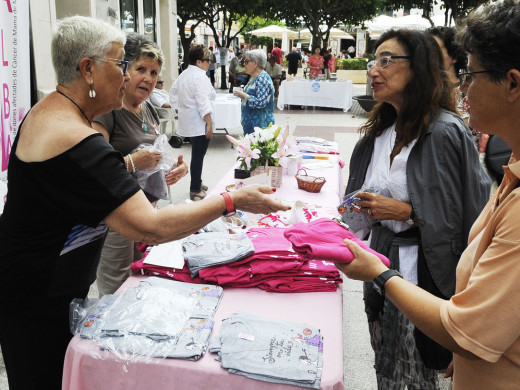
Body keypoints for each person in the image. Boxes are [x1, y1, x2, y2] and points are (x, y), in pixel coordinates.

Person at [0, 16, 289, 389]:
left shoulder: (57, 112)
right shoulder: (76, 139)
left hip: (39, 287)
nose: (126, 76)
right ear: (88, 69)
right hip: (35, 298)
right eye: (121, 64)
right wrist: (231, 200)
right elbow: (148, 226)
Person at [339, 2, 520, 388]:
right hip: (385, 261)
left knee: (418, 369)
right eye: (373, 60)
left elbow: (470, 220)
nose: (374, 69)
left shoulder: (444, 132)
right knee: (387, 361)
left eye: (388, 60)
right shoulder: (378, 132)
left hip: (426, 274)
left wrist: (405, 211)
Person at [93, 33, 188, 297]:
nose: (148, 78)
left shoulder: (147, 109)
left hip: (147, 212)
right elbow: (95, 169)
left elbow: (155, 155)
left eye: (154, 72)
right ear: (125, 71)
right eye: (141, 69)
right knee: (116, 288)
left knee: (139, 281)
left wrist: (174, 169)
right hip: (116, 218)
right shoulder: (108, 110)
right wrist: (134, 162)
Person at [428, 26, 489, 154]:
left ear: (453, 56)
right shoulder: (426, 92)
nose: (427, 56)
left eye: (434, 50)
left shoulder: (466, 92)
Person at [170, 45, 215, 201]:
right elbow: (203, 102)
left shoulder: (184, 74)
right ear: (198, 61)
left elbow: (173, 92)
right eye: (207, 60)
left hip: (190, 121)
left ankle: (198, 181)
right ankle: (195, 188)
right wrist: (209, 124)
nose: (209, 63)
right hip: (199, 122)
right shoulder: (200, 77)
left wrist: (179, 109)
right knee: (198, 156)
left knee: (197, 154)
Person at [233, 49, 275, 135]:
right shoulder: (254, 77)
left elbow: (261, 103)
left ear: (255, 63)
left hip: (260, 126)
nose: (244, 64)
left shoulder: (262, 78)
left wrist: (245, 96)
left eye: (246, 61)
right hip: (252, 125)